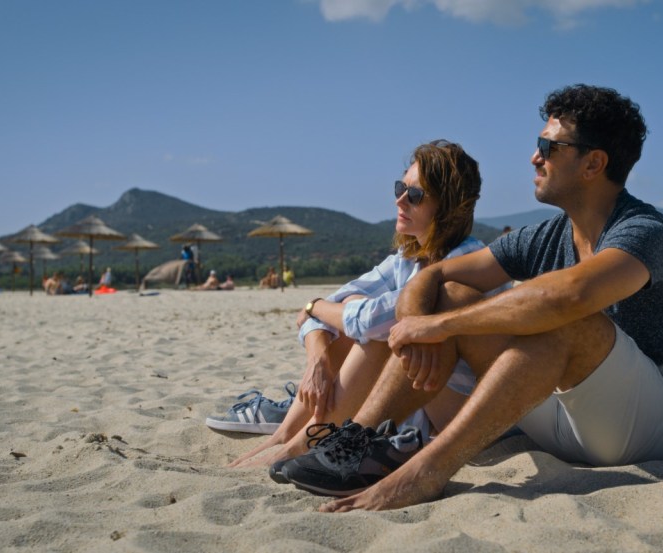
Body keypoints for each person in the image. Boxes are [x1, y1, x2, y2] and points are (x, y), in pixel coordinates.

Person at [278, 84, 663, 512]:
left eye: (547, 146)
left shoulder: (643, 229)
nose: (534, 157)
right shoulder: (548, 234)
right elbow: (435, 274)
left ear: (594, 162)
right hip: (558, 417)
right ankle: (358, 441)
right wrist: (424, 324)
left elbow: (571, 296)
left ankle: (424, 473)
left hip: (650, 426)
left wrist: (443, 326)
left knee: (569, 322)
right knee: (453, 293)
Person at [212, 139, 497, 473]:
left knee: (376, 327)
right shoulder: (408, 259)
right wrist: (317, 358)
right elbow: (310, 315)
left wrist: (318, 306)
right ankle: (286, 437)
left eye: (415, 195)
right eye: (399, 188)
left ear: (448, 207)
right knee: (353, 311)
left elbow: (367, 321)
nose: (400, 200)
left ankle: (303, 442)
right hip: (425, 403)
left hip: (470, 412)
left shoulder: (466, 262)